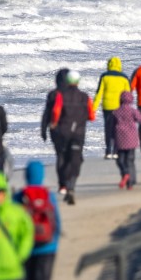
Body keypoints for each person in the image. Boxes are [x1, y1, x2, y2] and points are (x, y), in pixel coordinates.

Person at [16, 161, 60, 280]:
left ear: (26, 176)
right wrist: (55, 241)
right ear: (42, 176)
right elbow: (57, 221)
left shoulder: (19, 197)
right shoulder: (49, 196)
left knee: (27, 279)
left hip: (25, 246)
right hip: (47, 245)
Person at [46, 70, 93, 204]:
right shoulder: (85, 96)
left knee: (62, 156)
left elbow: (56, 111)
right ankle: (71, 183)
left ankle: (63, 185)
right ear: (78, 81)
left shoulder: (61, 95)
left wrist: (54, 123)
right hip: (78, 133)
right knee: (76, 158)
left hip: (63, 132)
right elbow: (92, 115)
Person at [92, 57, 132, 158]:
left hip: (107, 106)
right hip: (120, 107)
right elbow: (128, 95)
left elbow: (99, 94)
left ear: (109, 64)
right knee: (118, 129)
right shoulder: (124, 78)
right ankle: (116, 151)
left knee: (108, 129)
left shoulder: (104, 76)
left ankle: (108, 151)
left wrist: (93, 109)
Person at [112, 90, 141, 188]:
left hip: (120, 141)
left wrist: (111, 140)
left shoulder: (115, 112)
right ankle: (131, 182)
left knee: (120, 160)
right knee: (130, 161)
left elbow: (111, 127)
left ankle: (125, 174)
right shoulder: (133, 111)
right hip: (131, 140)